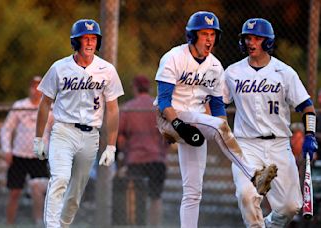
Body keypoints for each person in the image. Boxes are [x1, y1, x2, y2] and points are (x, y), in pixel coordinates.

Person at [154, 11, 277, 228]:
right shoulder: (174, 57)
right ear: (192, 36)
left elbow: (218, 106)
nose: (209, 39)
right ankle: (253, 175)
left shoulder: (215, 66)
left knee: (193, 191)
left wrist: (222, 134)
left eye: (212, 34)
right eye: (204, 34)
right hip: (171, 116)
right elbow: (164, 101)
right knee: (218, 125)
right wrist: (177, 125)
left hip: (198, 119)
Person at [222, 18, 318, 227]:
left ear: (268, 42)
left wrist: (310, 135)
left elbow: (307, 107)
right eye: (247, 37)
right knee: (246, 195)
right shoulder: (232, 72)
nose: (250, 42)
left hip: (279, 144)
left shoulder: (284, 72)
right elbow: (217, 102)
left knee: (290, 206)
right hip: (246, 145)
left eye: (257, 38)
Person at [33, 19, 124, 227]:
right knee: (60, 179)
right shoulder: (59, 68)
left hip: (91, 135)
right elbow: (45, 103)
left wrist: (111, 145)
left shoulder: (107, 69)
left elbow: (112, 109)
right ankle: (52, 226)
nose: (90, 43)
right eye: (85, 38)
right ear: (76, 42)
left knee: (75, 194)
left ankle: (62, 224)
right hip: (63, 131)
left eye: (93, 38)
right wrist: (38, 138)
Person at [117, 75, 168, 226]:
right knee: (156, 197)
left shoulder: (128, 108)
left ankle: (136, 224)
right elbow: (167, 136)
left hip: (135, 159)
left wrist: (124, 155)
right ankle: (155, 225)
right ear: (149, 88)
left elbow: (120, 137)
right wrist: (163, 154)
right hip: (156, 158)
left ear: (134, 88)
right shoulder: (158, 108)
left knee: (135, 196)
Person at [0, 76, 51, 225]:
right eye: (33, 87)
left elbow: (56, 130)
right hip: (19, 156)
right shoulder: (20, 105)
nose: (36, 90)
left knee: (38, 192)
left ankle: (39, 222)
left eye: (39, 87)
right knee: (14, 192)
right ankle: (10, 223)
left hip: (39, 157)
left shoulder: (49, 107)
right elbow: (6, 129)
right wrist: (7, 149)